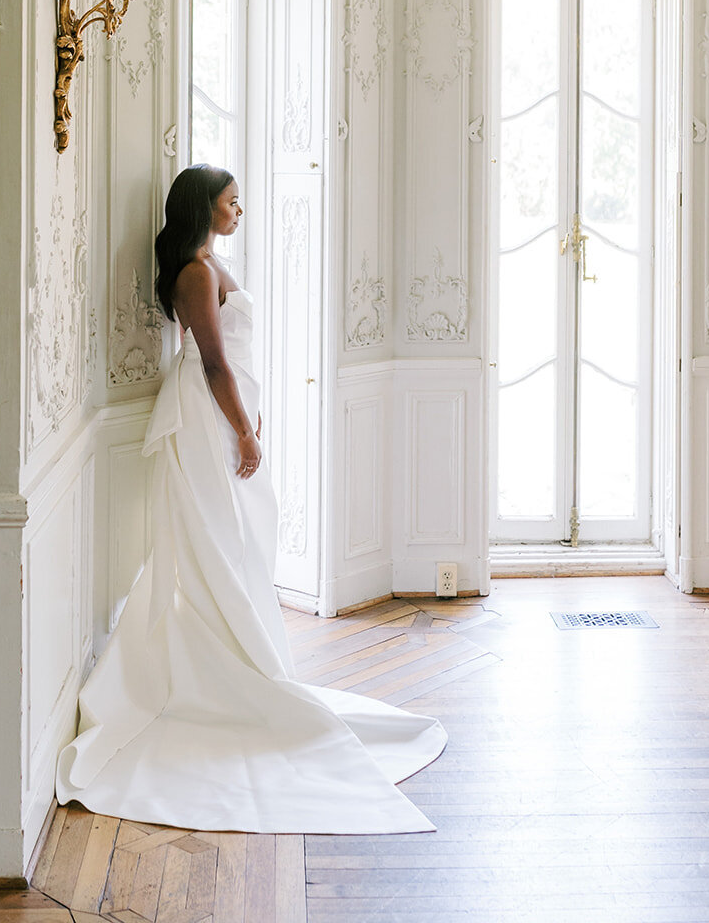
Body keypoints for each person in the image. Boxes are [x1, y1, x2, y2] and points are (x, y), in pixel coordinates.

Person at [55, 163, 446, 833]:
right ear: (205, 208)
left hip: (217, 411)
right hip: (206, 417)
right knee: (219, 543)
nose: (240, 211)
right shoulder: (197, 273)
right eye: (232, 203)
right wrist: (241, 429)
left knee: (236, 542)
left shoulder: (208, 263)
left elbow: (224, 361)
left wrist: (246, 418)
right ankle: (219, 670)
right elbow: (212, 362)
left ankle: (237, 658)